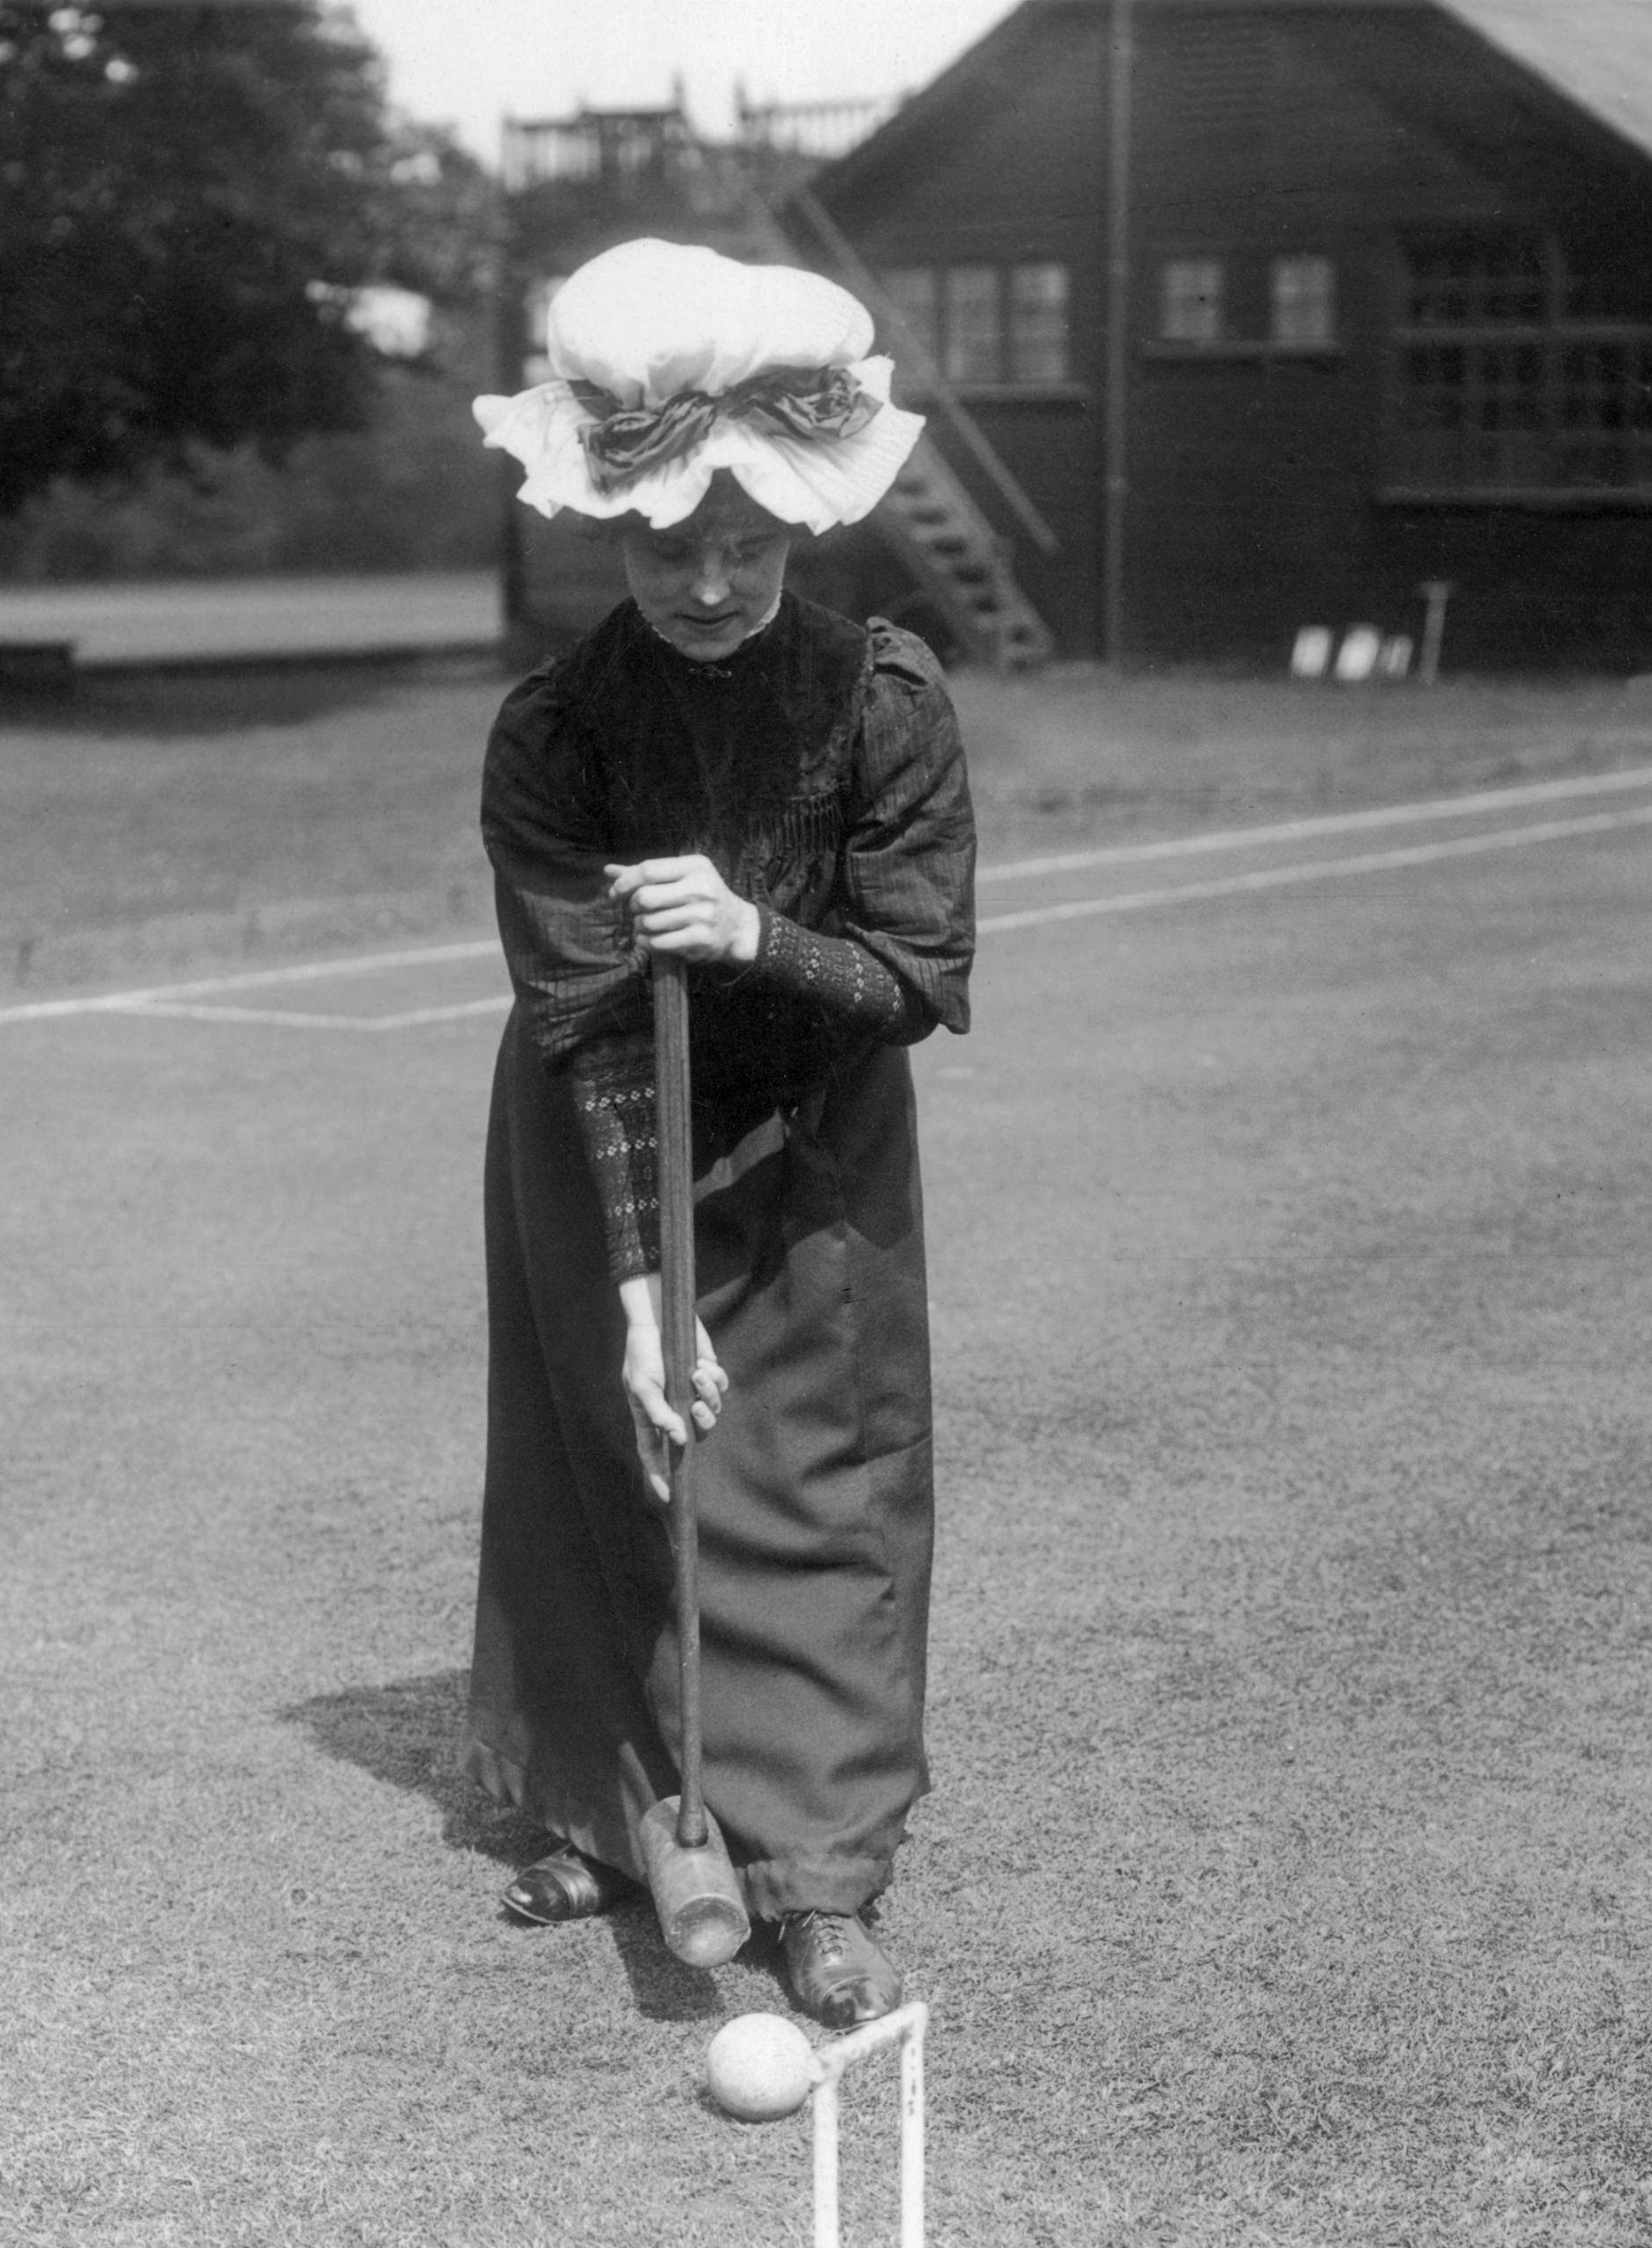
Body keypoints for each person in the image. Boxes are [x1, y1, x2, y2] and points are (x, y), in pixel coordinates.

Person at [460, 240, 978, 2027]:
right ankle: (622, 1812)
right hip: (592, 1118)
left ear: (800, 531)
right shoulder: (552, 731)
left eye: (742, 546)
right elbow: (586, 1009)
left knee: (808, 1481)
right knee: (613, 1461)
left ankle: (818, 1876)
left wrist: (757, 937)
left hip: (815, 1131)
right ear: (603, 526)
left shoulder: (882, 700)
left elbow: (919, 978)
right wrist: (630, 1282)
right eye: (664, 545)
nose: (702, 580)